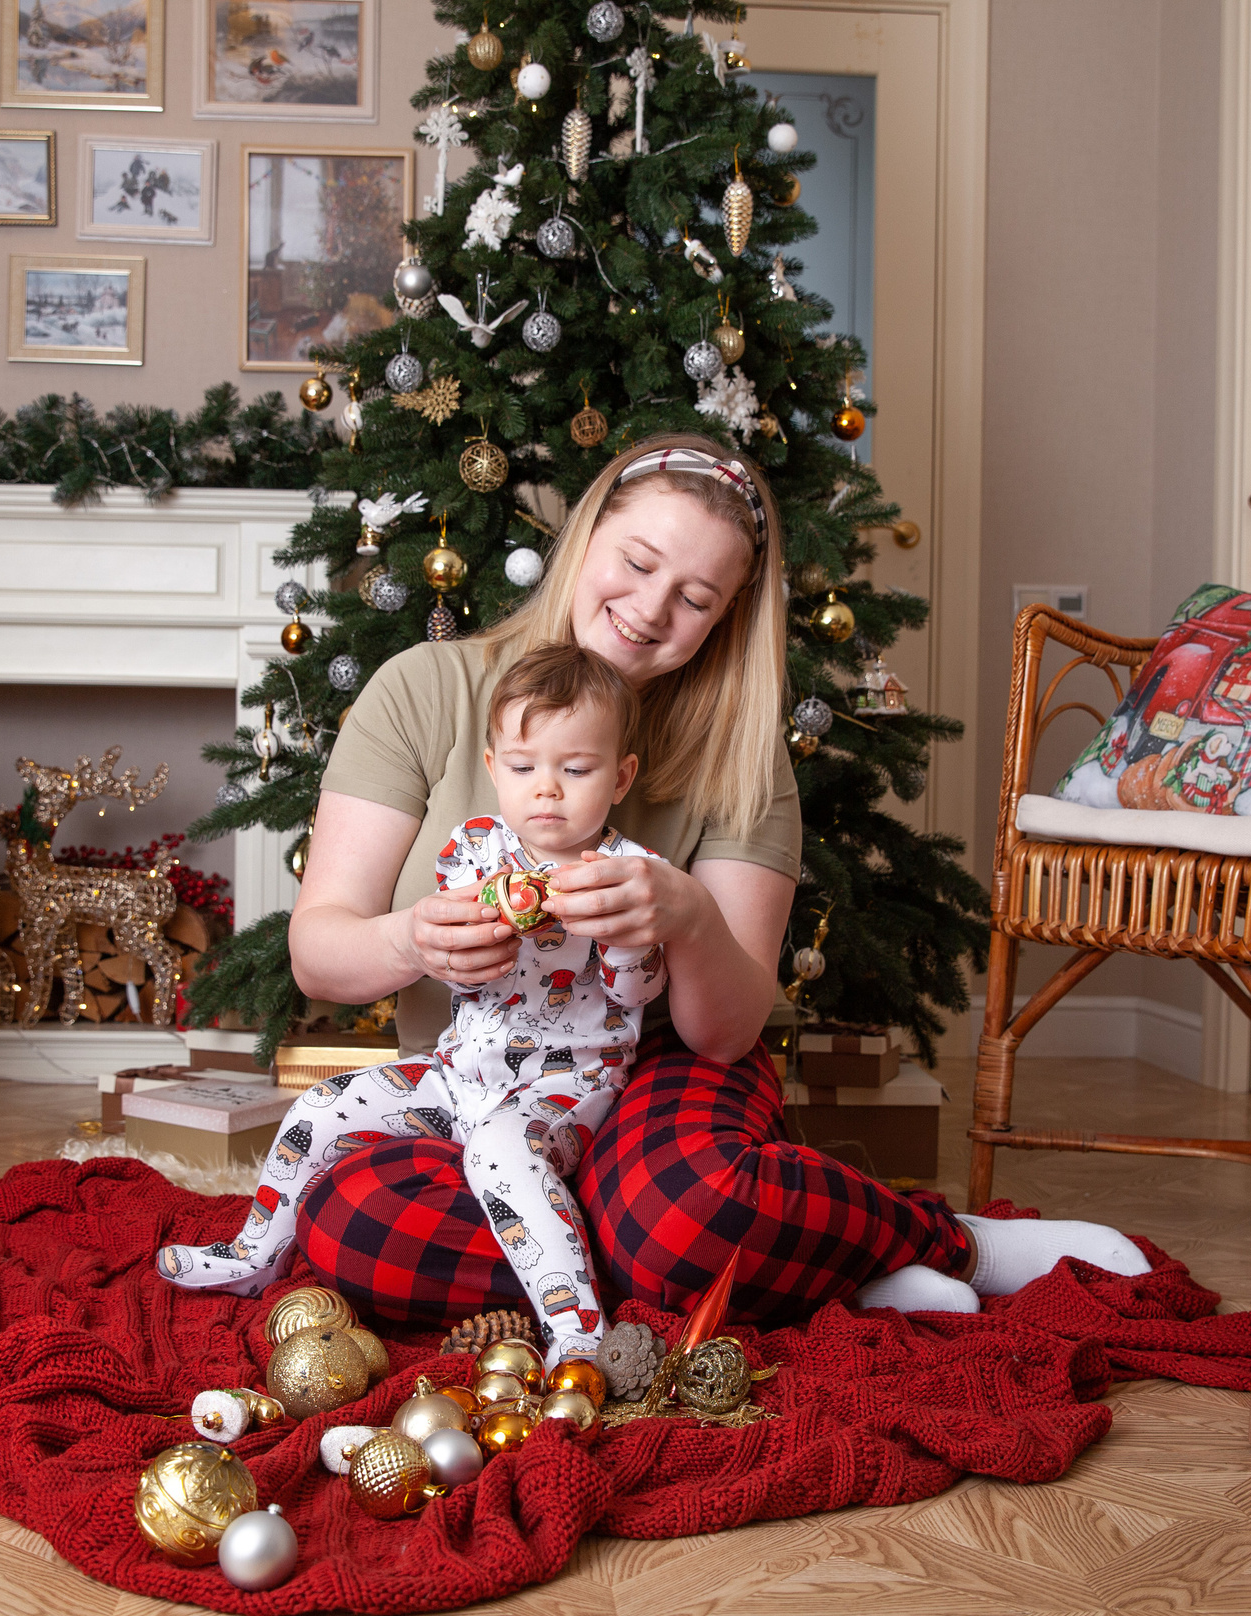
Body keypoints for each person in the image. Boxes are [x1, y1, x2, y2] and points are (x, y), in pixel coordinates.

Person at [280, 433, 1148, 1331]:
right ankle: (769, 1258)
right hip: (477, 1079)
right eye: (637, 562)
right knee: (352, 1222)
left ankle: (951, 1240)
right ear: (586, 539)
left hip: (659, 1077)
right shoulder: (425, 690)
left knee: (678, 1209)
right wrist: (410, 936)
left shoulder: (741, 755)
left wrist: (689, 920)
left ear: (726, 617)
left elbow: (726, 1032)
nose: (649, 610)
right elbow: (319, 953)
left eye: (694, 598)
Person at [158, 643, 665, 1364]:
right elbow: (456, 979)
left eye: (575, 770)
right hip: (459, 1073)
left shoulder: (627, 873)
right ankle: (254, 1254)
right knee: (320, 1107)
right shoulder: (478, 848)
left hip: (563, 1087)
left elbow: (636, 992)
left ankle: (579, 1331)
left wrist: (620, 937)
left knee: (499, 1152)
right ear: (494, 769)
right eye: (524, 768)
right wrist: (461, 942)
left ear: (620, 778)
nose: (546, 790)